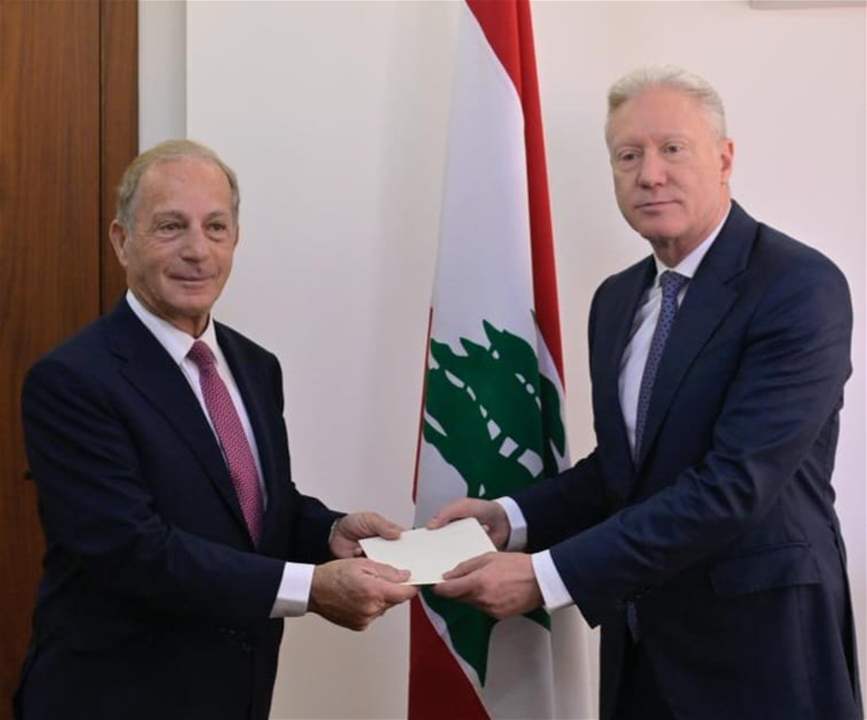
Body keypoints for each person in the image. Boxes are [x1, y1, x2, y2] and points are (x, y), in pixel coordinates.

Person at [428, 66, 862, 720]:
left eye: (672, 149)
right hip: (640, 648)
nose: (649, 174)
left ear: (724, 158)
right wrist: (509, 518)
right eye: (627, 156)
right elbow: (624, 469)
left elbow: (734, 484)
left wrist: (549, 576)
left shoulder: (797, 286)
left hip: (761, 653)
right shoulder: (617, 299)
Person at [14, 140, 417, 720]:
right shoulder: (73, 380)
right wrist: (311, 589)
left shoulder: (255, 366)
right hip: (114, 699)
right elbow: (132, 551)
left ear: (235, 239)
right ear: (122, 241)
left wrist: (328, 532)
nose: (197, 250)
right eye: (170, 226)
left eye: (216, 227)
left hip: (238, 694)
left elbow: (251, 511)